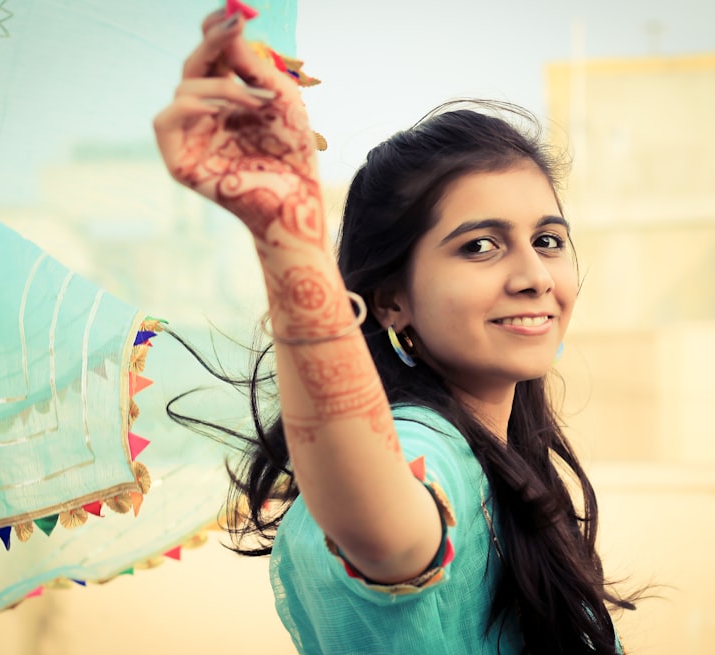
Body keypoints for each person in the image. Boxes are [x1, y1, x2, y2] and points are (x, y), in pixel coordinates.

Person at [153, 7, 637, 654]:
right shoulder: (428, 448)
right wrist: (286, 232)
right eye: (480, 246)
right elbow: (380, 523)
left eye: (547, 240)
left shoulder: (511, 462)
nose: (533, 276)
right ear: (389, 303)